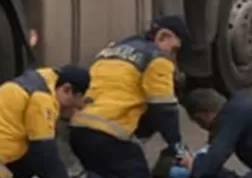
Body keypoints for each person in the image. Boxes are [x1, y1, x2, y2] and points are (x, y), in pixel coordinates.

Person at [68, 15, 192, 178]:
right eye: (175, 50)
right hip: (108, 136)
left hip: (78, 130)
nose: (174, 58)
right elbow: (164, 109)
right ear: (163, 36)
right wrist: (180, 149)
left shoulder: (111, 50)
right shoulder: (158, 58)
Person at [0, 64, 91, 178]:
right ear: (67, 89)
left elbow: (30, 158)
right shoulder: (42, 99)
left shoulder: (32, 85)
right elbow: (44, 152)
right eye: (71, 106)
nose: (68, 113)